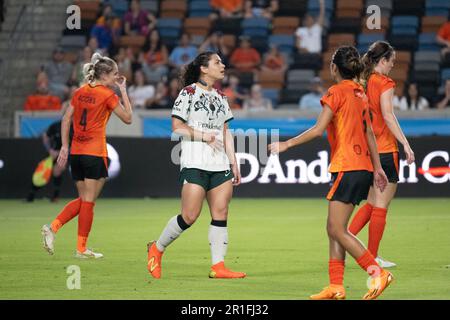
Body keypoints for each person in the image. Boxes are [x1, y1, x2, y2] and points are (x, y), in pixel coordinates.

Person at [269, 46, 393, 300]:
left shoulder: (336, 92)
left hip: (347, 165)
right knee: (334, 227)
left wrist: (286, 144)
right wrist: (378, 167)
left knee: (338, 230)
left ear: (333, 68)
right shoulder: (360, 93)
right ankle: (336, 287)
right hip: (362, 166)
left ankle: (377, 272)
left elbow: (317, 129)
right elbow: (370, 132)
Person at [146, 52, 245, 279]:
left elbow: (225, 132)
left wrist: (234, 160)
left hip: (220, 164)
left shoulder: (221, 97)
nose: (223, 65)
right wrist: (203, 136)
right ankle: (157, 248)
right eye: (217, 62)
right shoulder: (188, 93)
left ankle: (218, 266)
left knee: (221, 212)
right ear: (203, 68)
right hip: (195, 162)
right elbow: (177, 127)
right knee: (189, 216)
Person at [40, 53, 133, 258]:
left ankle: (55, 229)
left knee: (84, 199)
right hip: (94, 152)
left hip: (76, 153)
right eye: (115, 74)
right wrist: (123, 91)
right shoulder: (108, 95)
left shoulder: (80, 91)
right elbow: (128, 118)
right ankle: (79, 247)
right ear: (105, 75)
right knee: (89, 201)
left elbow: (65, 119)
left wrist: (65, 146)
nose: (118, 77)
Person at [348, 41, 415, 268]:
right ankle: (372, 258)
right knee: (381, 204)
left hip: (367, 151)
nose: (392, 66)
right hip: (385, 149)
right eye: (391, 62)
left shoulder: (362, 82)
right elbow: (388, 115)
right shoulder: (384, 82)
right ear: (383, 60)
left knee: (371, 201)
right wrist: (405, 143)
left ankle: (345, 240)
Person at [26, 119, 72, 203]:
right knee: (41, 172)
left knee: (57, 171)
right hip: (52, 154)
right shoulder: (56, 125)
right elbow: (45, 136)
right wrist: (50, 150)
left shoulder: (75, 127)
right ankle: (30, 196)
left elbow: (76, 144)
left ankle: (55, 197)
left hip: (65, 155)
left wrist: (61, 152)